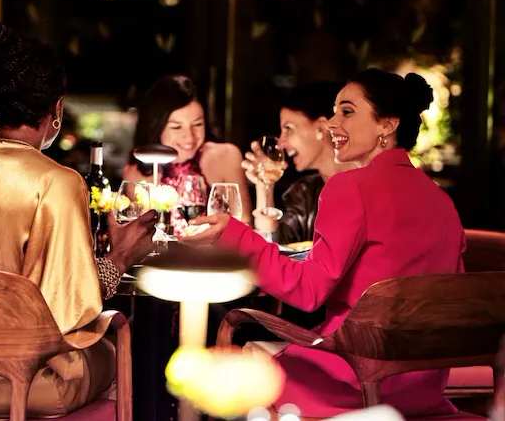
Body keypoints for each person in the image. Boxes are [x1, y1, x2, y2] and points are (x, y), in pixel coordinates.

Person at [0, 19, 156, 418]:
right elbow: (67, 316)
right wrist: (119, 261)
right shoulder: (56, 182)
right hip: (17, 385)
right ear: (56, 109)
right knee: (113, 348)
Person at [184, 69, 466, 418]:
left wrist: (233, 234)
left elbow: (307, 292)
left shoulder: (350, 187)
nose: (331, 123)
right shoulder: (440, 201)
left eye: (347, 111)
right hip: (421, 387)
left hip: (354, 383)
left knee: (234, 365)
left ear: (386, 126)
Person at [123, 75, 251, 226]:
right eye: (176, 127)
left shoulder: (226, 156)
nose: (190, 137)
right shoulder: (135, 173)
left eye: (197, 124)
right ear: (156, 127)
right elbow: (133, 235)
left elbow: (245, 224)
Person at [242, 81, 353, 244]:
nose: (281, 143)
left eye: (288, 129)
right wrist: (264, 186)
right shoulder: (303, 194)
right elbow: (273, 247)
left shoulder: (371, 186)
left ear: (321, 128)